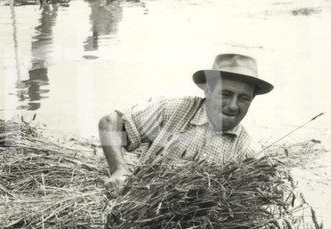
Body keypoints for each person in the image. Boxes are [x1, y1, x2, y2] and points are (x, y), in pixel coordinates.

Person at [97, 53, 274, 197]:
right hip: (141, 210)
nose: (234, 105)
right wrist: (119, 169)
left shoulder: (251, 155)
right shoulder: (172, 110)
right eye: (226, 94)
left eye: (244, 98)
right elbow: (110, 123)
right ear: (208, 90)